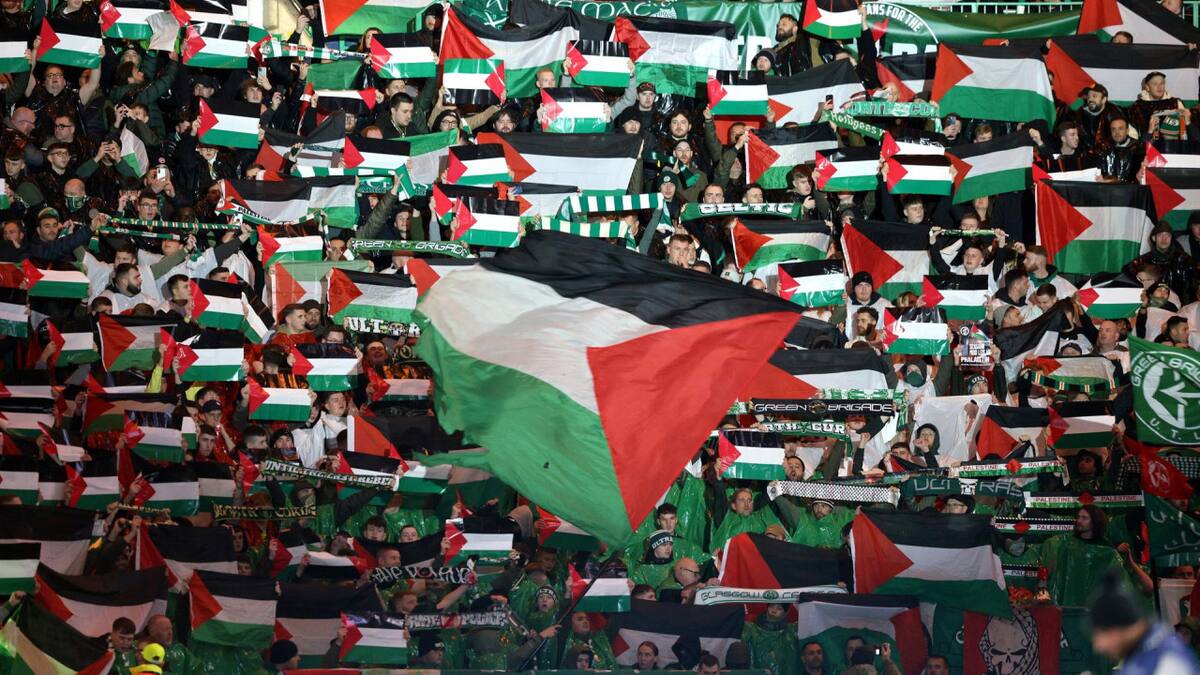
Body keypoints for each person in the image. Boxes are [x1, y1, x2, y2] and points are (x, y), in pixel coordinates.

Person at [1090, 570, 1200, 673]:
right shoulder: (1141, 653)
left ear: (1127, 628)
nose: (1099, 645)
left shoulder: (1167, 660)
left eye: (1103, 632)